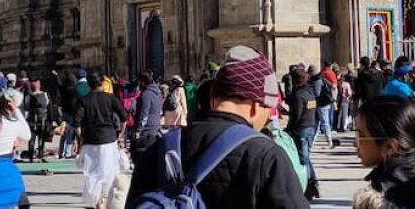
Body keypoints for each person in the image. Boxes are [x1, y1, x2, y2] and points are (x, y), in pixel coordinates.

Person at [128, 46, 308, 208]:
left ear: (214, 100)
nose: (268, 116)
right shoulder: (266, 156)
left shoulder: (159, 149)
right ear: (255, 105)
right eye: (269, 109)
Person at [74, 71, 128, 209]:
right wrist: (120, 134)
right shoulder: (110, 98)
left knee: (92, 173)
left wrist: (81, 138)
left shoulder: (84, 100)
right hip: (109, 139)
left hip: (91, 140)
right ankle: (106, 198)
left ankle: (97, 202)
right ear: (101, 83)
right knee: (108, 172)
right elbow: (124, 117)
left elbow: (77, 122)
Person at [287, 68, 320, 200]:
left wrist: (290, 128)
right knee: (306, 157)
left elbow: (297, 115)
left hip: (301, 129)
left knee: (303, 159)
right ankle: (313, 181)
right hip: (310, 126)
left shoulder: (299, 94)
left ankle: (309, 185)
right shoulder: (310, 92)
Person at [133, 70, 162, 151]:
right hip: (154, 129)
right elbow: (160, 111)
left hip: (146, 132)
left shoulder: (146, 95)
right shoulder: (157, 93)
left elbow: (144, 115)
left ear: (142, 81)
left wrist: (138, 131)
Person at [309, 64, 334, 147]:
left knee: (323, 122)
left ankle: (329, 141)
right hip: (323, 103)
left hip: (321, 104)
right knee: (318, 123)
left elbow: (317, 93)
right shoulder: (320, 78)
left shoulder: (317, 81)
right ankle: (312, 141)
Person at [26, 77, 50, 162]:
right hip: (42, 119)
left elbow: (27, 107)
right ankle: (40, 154)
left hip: (33, 119)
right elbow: (48, 106)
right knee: (41, 138)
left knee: (33, 138)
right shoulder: (45, 94)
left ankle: (32, 156)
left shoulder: (29, 96)